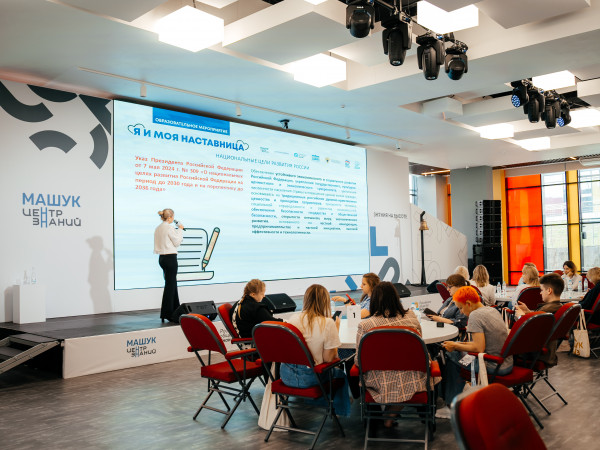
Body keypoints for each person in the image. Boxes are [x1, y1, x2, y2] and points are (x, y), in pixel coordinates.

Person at [355, 282, 438, 427]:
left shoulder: (366, 325)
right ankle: (394, 414)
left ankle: (378, 419)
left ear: (373, 301)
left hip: (378, 383)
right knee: (425, 369)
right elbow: (420, 350)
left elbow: (359, 361)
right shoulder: (411, 318)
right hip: (413, 381)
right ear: (396, 298)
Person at [438, 286, 513, 416]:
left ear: (468, 303)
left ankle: (450, 405)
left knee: (450, 354)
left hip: (492, 365)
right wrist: (458, 344)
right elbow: (481, 343)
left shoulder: (475, 316)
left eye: (461, 308)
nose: (461, 312)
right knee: (455, 349)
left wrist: (455, 346)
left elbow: (478, 348)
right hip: (506, 362)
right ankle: (456, 395)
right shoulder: (492, 310)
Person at [281, 284, 351, 416]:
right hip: (310, 379)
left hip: (286, 375)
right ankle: (337, 410)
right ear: (325, 302)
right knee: (340, 374)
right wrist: (335, 329)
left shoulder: (293, 319)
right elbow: (328, 359)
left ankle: (321, 403)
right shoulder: (327, 323)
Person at [515, 273, 564, 367]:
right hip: (546, 352)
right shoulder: (557, 307)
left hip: (533, 353)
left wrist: (521, 316)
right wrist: (528, 312)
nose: (540, 293)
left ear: (549, 290)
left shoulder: (546, 311)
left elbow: (529, 331)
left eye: (542, 290)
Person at [154, 209, 184, 323]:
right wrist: (180, 230)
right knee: (170, 285)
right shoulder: (169, 228)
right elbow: (177, 242)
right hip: (170, 258)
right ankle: (167, 313)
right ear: (170, 217)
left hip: (162, 258)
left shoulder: (158, 228)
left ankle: (175, 311)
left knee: (171, 284)